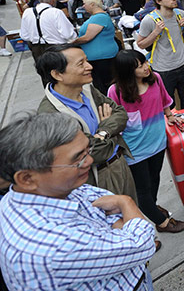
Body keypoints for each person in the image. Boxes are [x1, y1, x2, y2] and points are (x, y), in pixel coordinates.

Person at [0, 113, 156, 291]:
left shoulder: (39, 191)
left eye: (87, 151)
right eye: (77, 158)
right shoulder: (54, 248)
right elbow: (142, 244)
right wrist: (126, 203)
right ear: (27, 178)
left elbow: (93, 198)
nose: (89, 160)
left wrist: (121, 232)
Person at [35, 44, 137, 199]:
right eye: (81, 64)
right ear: (57, 74)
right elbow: (92, 153)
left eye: (87, 61)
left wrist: (102, 133)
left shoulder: (88, 89)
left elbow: (120, 114)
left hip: (120, 164)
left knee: (132, 214)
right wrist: (109, 132)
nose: (89, 67)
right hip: (94, 180)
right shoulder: (50, 114)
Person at [108, 50, 184, 238]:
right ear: (127, 71)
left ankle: (152, 207)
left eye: (145, 62)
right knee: (142, 191)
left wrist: (170, 116)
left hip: (158, 142)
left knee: (154, 180)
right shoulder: (116, 91)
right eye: (139, 66)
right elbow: (114, 120)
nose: (146, 68)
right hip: (135, 149)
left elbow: (164, 101)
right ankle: (161, 222)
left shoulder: (156, 79)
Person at [137, 0, 184, 110]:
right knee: (169, 105)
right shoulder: (149, 20)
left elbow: (181, 33)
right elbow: (140, 44)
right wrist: (155, 32)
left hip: (183, 65)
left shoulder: (180, 13)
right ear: (158, 1)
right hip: (163, 70)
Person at [72, 0, 119, 93]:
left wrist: (73, 42)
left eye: (85, 4)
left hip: (102, 59)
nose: (83, 6)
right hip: (99, 58)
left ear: (92, 4)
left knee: (105, 86)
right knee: (102, 85)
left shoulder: (99, 17)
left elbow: (88, 37)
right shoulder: (97, 17)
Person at [19, 0, 77, 67]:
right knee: (61, 73)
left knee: (46, 74)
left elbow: (24, 35)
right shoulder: (56, 12)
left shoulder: (27, 12)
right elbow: (68, 34)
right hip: (56, 48)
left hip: (37, 49)